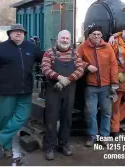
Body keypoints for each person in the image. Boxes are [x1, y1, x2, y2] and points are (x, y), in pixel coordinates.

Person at [0, 24, 44, 158]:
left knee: (22, 117)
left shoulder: (31, 47)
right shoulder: (0, 49)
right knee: (5, 120)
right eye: (15, 31)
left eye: (21, 32)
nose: (18, 33)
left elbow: (45, 58)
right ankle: (7, 149)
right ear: (9, 34)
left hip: (25, 91)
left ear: (24, 34)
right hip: (5, 92)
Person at [41, 30, 86, 160]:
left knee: (67, 118)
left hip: (69, 90)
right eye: (63, 38)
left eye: (67, 38)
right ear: (57, 39)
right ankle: (49, 147)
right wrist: (59, 77)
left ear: (70, 40)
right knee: (51, 119)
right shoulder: (49, 53)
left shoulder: (75, 53)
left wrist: (67, 80)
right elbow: (45, 68)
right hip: (53, 90)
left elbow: (80, 69)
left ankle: (64, 145)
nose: (65, 40)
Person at [77, 26, 118, 146]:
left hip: (106, 86)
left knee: (106, 112)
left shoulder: (107, 47)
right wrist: (86, 66)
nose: (96, 36)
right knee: (91, 112)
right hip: (91, 87)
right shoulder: (83, 47)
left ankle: (105, 136)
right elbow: (76, 59)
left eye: (98, 34)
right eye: (94, 34)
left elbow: (113, 65)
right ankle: (92, 136)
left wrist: (114, 83)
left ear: (101, 36)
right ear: (89, 35)